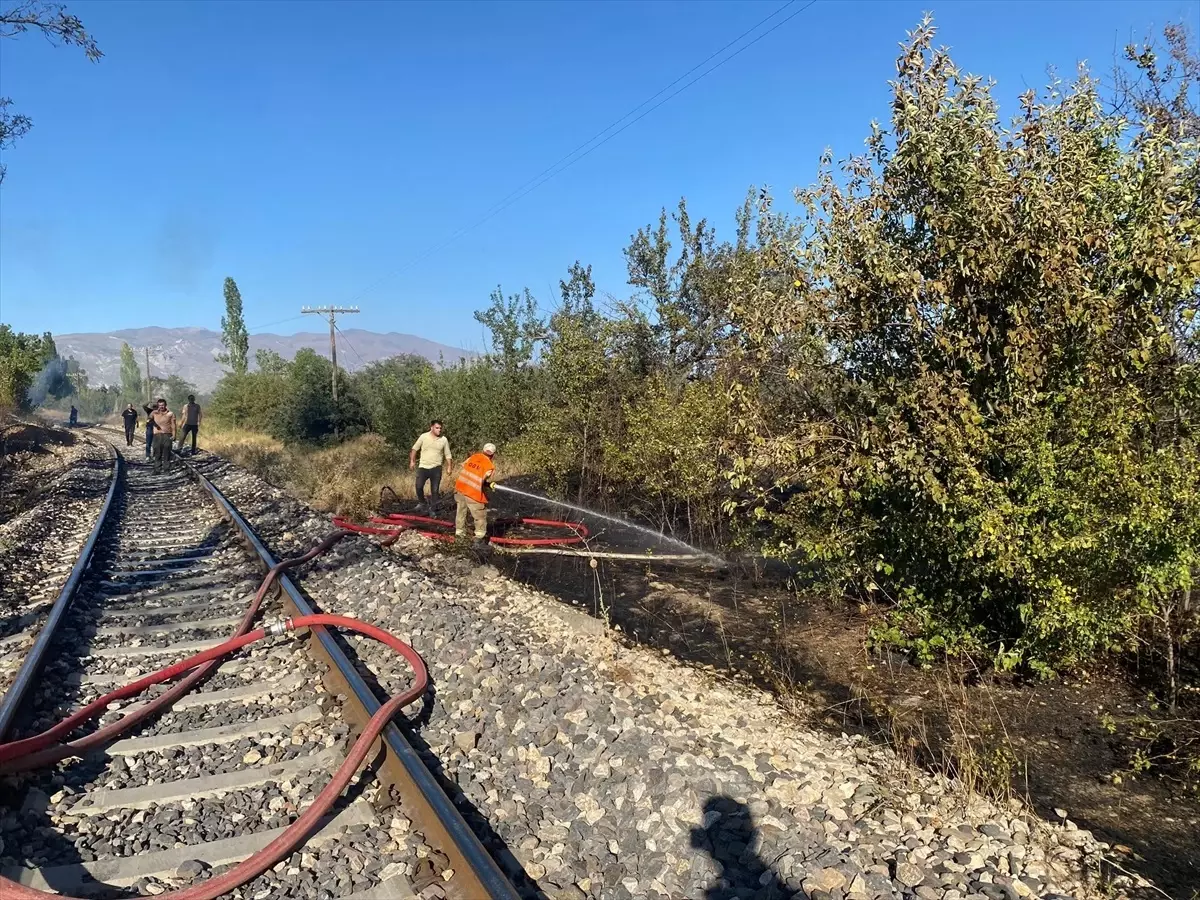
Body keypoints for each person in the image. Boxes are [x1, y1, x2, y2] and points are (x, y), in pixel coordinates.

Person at [454, 442, 497, 546]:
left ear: (483, 451)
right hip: (472, 493)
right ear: (493, 455)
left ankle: (459, 534)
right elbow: (482, 480)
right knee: (480, 515)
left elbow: (464, 466)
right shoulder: (490, 466)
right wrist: (488, 484)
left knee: (461, 511)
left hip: (460, 488)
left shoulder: (473, 457)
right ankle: (479, 538)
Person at [409, 420, 452, 512]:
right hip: (423, 467)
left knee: (435, 490)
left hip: (436, 468)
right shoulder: (424, 437)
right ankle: (422, 503)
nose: (439, 430)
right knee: (418, 486)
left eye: (440, 428)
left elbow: (448, 454)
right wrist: (412, 461)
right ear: (431, 427)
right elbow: (414, 449)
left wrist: (449, 466)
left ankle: (434, 508)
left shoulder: (443, 439)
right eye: (437, 428)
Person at [148, 398, 176, 475]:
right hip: (157, 435)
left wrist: (174, 434)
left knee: (167, 452)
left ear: (165, 405)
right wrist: (154, 424)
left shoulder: (170, 414)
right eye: (160, 405)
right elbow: (149, 420)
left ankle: (166, 470)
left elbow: (173, 425)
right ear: (158, 406)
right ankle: (157, 469)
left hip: (167, 435)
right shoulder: (154, 413)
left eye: (163, 405)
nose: (161, 407)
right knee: (157, 453)